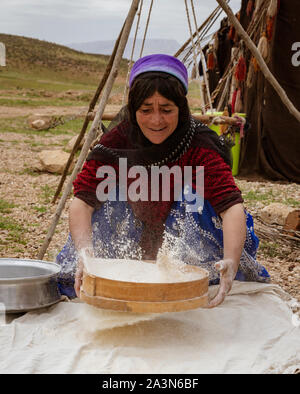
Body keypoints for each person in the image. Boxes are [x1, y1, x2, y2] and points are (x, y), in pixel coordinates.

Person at [56, 54, 270, 307]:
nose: (156, 121)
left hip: (188, 245)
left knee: (194, 194)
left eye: (166, 110)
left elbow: (231, 206)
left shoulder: (199, 143)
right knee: (109, 190)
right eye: (146, 110)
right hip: (131, 236)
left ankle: (202, 273)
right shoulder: (117, 142)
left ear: (181, 108)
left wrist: (231, 262)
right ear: (134, 110)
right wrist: (86, 255)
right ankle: (109, 269)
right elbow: (82, 201)